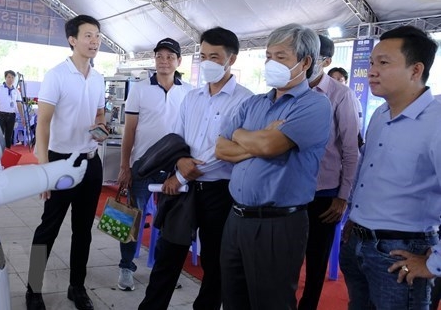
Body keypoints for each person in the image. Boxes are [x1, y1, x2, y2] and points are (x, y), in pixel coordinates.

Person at [215, 23, 331, 309]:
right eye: (268, 56)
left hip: (278, 224)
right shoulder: (254, 103)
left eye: (281, 57)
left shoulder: (314, 105)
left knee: (272, 302)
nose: (271, 63)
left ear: (305, 62)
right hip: (237, 218)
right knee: (232, 298)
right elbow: (220, 148)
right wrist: (256, 140)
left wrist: (243, 137)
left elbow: (269, 147)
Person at [138, 27, 253, 310]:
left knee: (216, 264)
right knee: (169, 255)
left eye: (215, 56)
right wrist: (179, 162)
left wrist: (180, 175)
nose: (208, 62)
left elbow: (234, 150)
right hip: (186, 192)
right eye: (203, 56)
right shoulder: (193, 97)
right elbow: (177, 140)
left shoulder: (246, 100)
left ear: (232, 59)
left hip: (220, 192)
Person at [339, 25, 441, 309]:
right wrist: (353, 215)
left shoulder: (437, 122)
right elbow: (366, 171)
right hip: (359, 244)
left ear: (415, 70)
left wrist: (434, 264)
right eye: (371, 62)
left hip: (402, 252)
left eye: (383, 63)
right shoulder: (381, 114)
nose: (371, 71)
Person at [25, 15, 108, 310]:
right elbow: (43, 125)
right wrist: (45, 168)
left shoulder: (98, 78)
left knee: (83, 230)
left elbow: (99, 116)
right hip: (61, 162)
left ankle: (77, 286)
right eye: (88, 35)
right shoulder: (56, 75)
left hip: (90, 161)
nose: (94, 41)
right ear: (72, 39)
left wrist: (101, 129)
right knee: (48, 227)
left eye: (97, 36)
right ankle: (33, 289)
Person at [116, 37, 191, 292]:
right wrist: (125, 166)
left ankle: (163, 270)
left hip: (172, 168)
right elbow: (130, 131)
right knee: (133, 218)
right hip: (142, 165)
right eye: (160, 56)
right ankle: (126, 266)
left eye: (170, 57)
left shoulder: (189, 91)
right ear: (154, 59)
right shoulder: (139, 89)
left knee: (169, 222)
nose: (164, 61)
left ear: (179, 61)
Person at [298, 35, 360, 310]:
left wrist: (342, 196)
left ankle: (308, 305)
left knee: (316, 258)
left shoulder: (340, 94)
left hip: (324, 192)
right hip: (291, 191)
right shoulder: (292, 88)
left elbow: (350, 150)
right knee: (286, 256)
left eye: (313, 56)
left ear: (326, 61)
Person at [0, 70, 26, 148]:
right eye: (9, 77)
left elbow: (19, 104)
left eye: (12, 77)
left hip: (12, 115)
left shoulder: (16, 91)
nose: (10, 79)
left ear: (14, 79)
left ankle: (7, 153)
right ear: (5, 78)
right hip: (1, 115)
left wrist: (22, 117)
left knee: (9, 136)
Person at [329, 66, 364, 131]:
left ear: (346, 82)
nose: (336, 83)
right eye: (333, 79)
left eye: (340, 80)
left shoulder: (353, 100)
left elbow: (358, 124)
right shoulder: (323, 98)